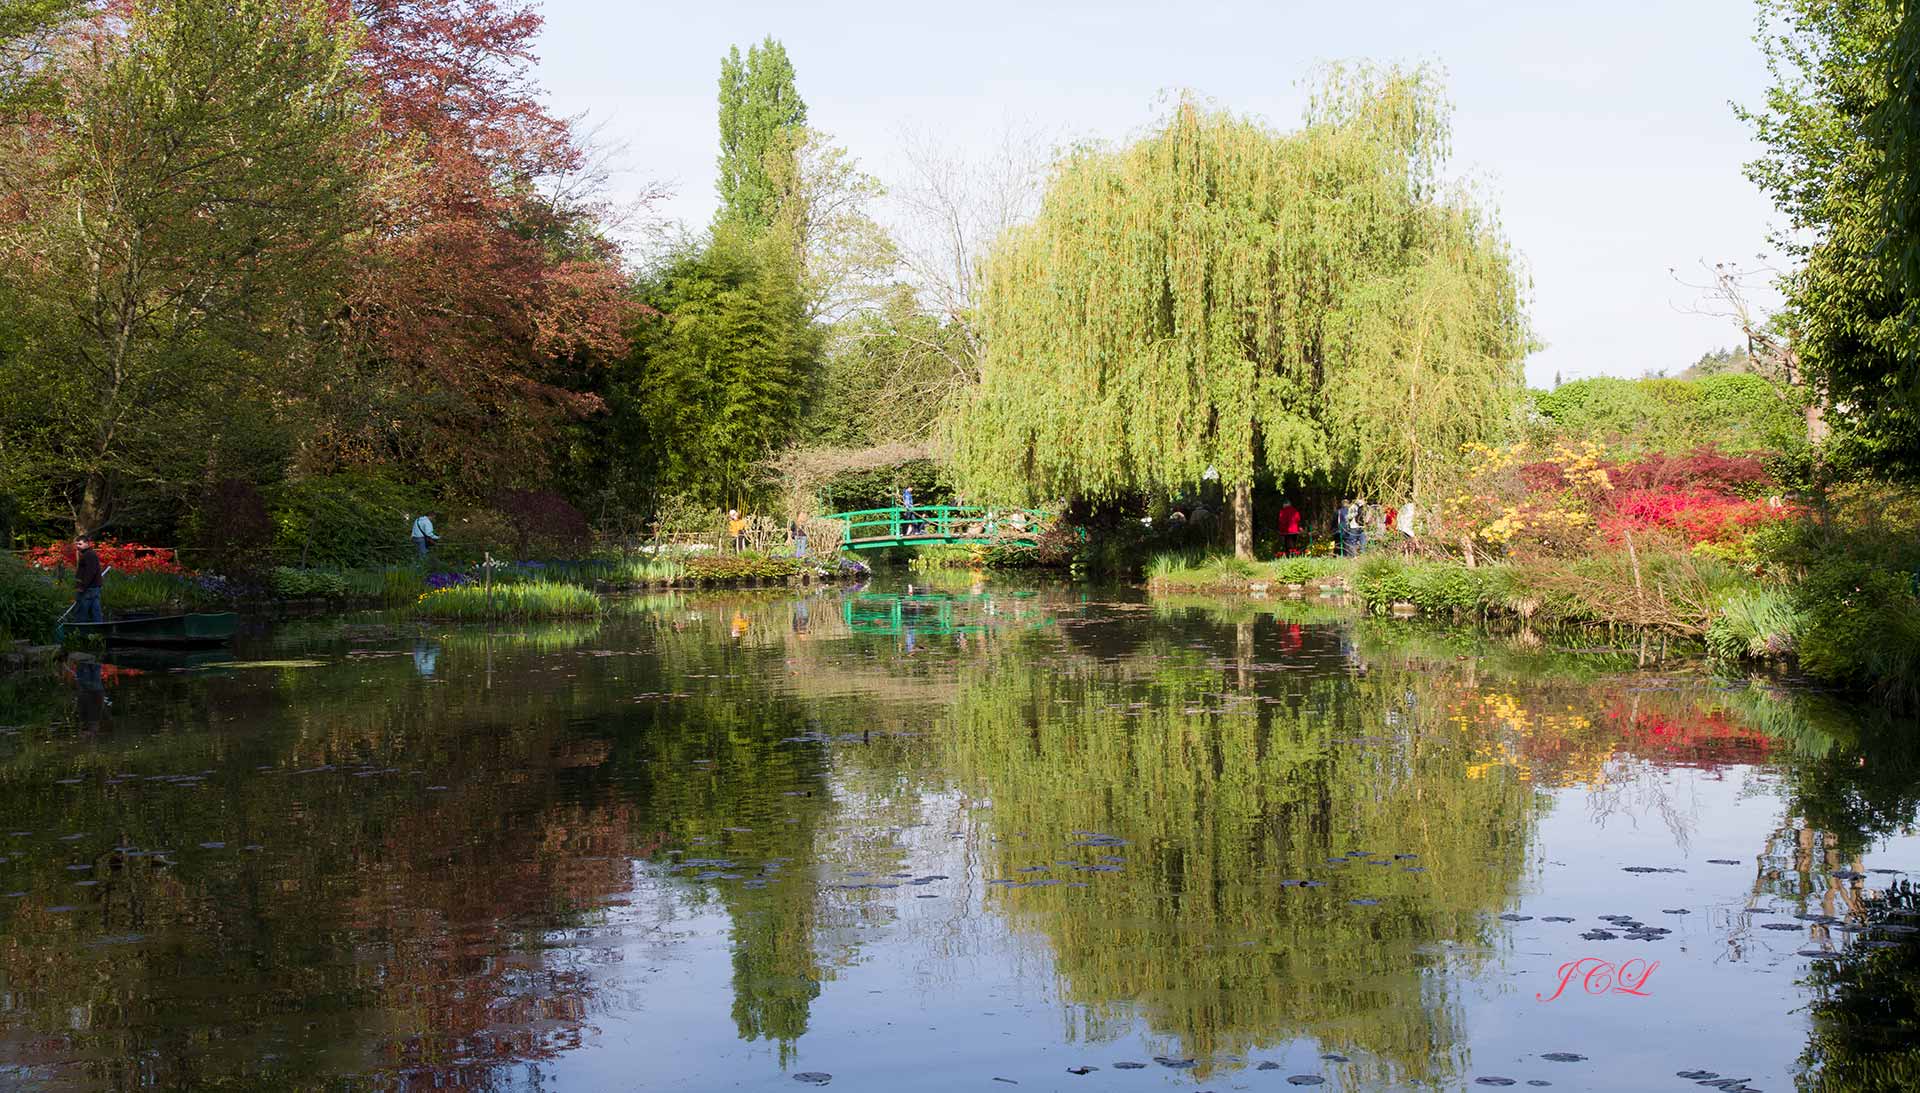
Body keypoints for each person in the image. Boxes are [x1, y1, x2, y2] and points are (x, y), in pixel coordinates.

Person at [73, 536, 104, 624]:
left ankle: (79, 629)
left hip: (89, 587)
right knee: (95, 609)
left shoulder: (89, 555)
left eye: (80, 544)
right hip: (93, 586)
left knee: (82, 609)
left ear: (87, 543)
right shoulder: (87, 554)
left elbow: (90, 572)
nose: (78, 546)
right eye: (76, 544)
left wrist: (83, 586)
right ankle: (98, 627)